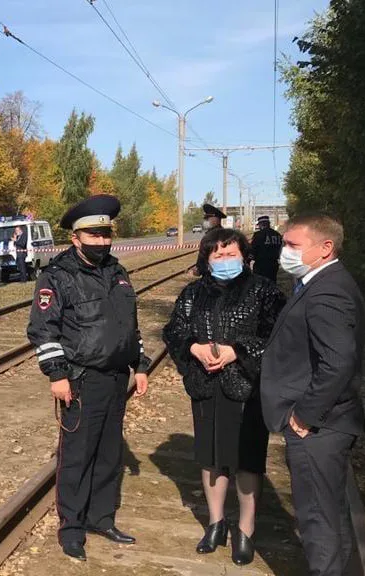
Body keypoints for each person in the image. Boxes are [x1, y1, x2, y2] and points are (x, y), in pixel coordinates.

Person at [27, 194, 150, 561]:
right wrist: (57, 374)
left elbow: (129, 324)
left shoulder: (117, 272)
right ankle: (72, 528)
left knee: (109, 454)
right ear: (75, 238)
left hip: (115, 379)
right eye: (93, 235)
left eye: (105, 235)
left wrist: (140, 364)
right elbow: (43, 331)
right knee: (77, 456)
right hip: (80, 380)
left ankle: (101, 518)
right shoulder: (58, 276)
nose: (101, 242)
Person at [163, 228, 285, 565]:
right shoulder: (192, 293)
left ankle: (245, 530)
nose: (225, 260)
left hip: (247, 386)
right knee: (211, 457)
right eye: (218, 254)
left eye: (231, 253)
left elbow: (277, 335)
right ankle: (215, 523)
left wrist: (238, 351)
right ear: (206, 258)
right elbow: (174, 329)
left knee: (247, 460)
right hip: (206, 386)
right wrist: (193, 347)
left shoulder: (264, 290)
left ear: (245, 256)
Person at [261, 213, 365, 576]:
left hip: (319, 427)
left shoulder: (329, 292)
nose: (283, 252)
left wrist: (305, 415)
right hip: (331, 422)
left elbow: (338, 362)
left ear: (325, 248)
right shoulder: (318, 281)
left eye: (292, 245)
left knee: (318, 521)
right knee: (331, 513)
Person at [249, 216, 283, 281]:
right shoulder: (277, 234)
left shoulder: (258, 234)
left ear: (261, 224)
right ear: (268, 224)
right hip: (273, 264)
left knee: (260, 283)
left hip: (261, 264)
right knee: (272, 282)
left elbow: (253, 249)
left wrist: (249, 260)